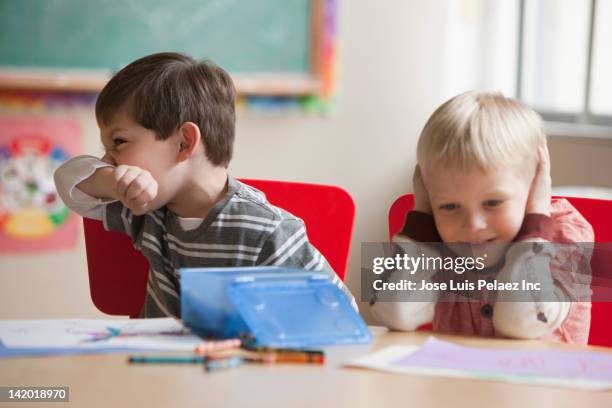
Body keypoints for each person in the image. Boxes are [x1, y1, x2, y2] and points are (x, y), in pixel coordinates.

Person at [54, 52, 354, 318]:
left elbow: (341, 312)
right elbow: (68, 182)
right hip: (152, 374)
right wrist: (112, 181)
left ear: (184, 142)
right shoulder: (143, 211)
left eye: (119, 142)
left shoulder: (264, 230)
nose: (108, 159)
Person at [370, 91, 593, 343]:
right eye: (450, 206)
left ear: (533, 188)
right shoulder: (436, 240)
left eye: (493, 203)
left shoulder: (566, 233)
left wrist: (535, 223)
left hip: (543, 381)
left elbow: (521, 321)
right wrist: (423, 217)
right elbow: (395, 313)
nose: (473, 225)